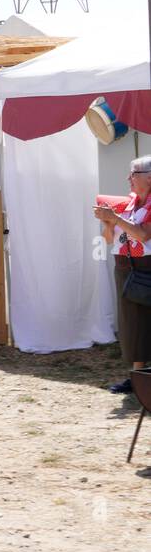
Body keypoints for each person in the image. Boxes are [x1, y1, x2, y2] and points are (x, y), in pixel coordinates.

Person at [95, 156, 151, 393]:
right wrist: (108, 223)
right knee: (132, 322)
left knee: (145, 320)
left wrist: (115, 218)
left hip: (146, 266)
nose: (129, 178)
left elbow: (143, 235)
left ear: (149, 178)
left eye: (133, 174)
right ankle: (137, 376)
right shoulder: (128, 204)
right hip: (125, 266)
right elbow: (109, 240)